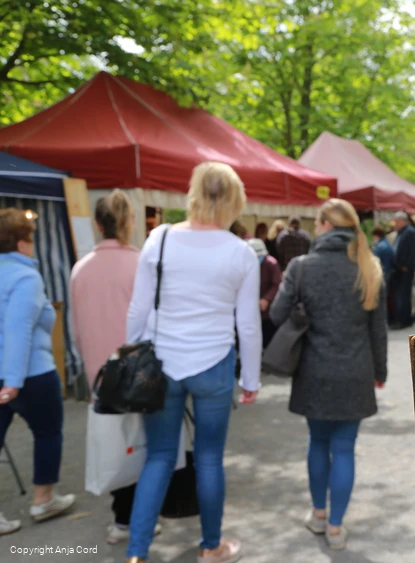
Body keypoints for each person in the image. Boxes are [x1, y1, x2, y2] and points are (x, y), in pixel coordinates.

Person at [124, 162, 261, 563]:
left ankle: (137, 553)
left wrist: (129, 355)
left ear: (193, 193)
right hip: (214, 363)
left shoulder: (159, 239)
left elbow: (138, 307)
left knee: (161, 456)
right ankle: (210, 547)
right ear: (235, 200)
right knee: (209, 458)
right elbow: (248, 324)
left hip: (161, 363)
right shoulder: (240, 252)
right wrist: (250, 378)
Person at [269, 198, 387, 551]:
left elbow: (277, 314)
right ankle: (336, 528)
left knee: (318, 443)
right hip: (355, 371)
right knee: (345, 448)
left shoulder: (301, 267)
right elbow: (377, 330)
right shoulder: (369, 267)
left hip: (313, 372)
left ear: (322, 225)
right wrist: (380, 371)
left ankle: (319, 514)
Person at [70, 190, 163, 544]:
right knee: (143, 445)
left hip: (100, 373)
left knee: (117, 446)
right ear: (131, 221)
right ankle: (135, 519)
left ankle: (122, 518)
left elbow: (77, 328)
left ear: (96, 224)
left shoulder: (81, 269)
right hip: (140, 370)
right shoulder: (141, 264)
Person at [0, 208, 76, 535]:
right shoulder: (26, 277)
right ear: (21, 242)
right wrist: (13, 382)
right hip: (30, 374)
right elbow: (20, 330)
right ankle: (43, 499)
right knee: (47, 433)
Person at [247, 238, 282, 349]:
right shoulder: (246, 264)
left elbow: (277, 284)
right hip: (250, 311)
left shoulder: (271, 264)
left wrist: (266, 299)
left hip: (267, 313)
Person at [390, 211, 415, 329]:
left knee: (403, 295)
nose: (395, 224)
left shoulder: (410, 232)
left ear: (402, 220)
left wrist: (406, 265)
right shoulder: (401, 232)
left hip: (405, 269)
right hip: (399, 269)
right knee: (400, 295)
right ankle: (402, 319)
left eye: (397, 221)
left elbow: (413, 250)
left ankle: (404, 320)